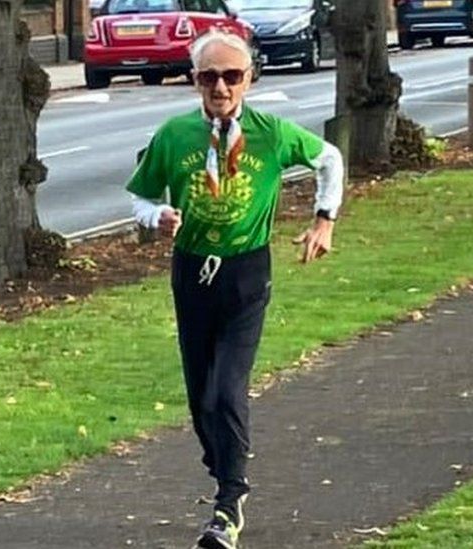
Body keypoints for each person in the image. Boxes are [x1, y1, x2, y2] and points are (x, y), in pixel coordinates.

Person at [126, 29, 344, 549]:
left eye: (231, 76)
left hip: (246, 271)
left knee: (226, 390)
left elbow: (330, 159)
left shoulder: (271, 133)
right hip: (191, 272)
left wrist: (324, 221)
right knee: (201, 398)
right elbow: (137, 197)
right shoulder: (175, 135)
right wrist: (156, 215)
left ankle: (229, 504)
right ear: (194, 80)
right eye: (209, 77)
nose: (220, 87)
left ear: (249, 79)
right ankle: (225, 462)